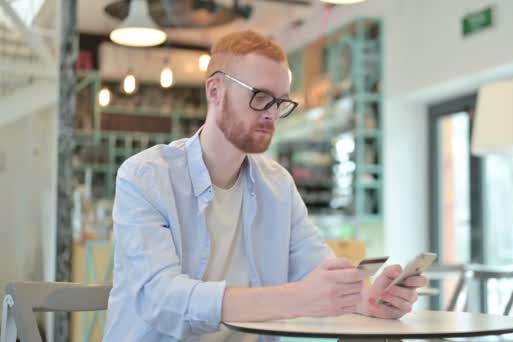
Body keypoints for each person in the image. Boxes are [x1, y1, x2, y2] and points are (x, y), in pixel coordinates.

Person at [102, 30, 427, 342]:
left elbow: (318, 270)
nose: (272, 114)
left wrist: (369, 299)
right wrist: (297, 298)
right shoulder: (145, 176)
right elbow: (163, 299)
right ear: (215, 91)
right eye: (260, 97)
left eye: (280, 102)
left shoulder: (278, 185)